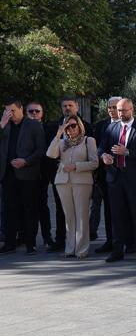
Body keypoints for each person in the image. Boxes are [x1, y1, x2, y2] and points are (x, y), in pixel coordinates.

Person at [98, 98, 136, 263]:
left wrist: (128, 152)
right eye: (119, 110)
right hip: (115, 177)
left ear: (132, 110)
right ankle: (117, 251)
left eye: (124, 110)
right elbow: (101, 147)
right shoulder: (111, 127)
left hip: (134, 179)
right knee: (116, 216)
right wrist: (104, 156)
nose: (121, 113)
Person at [45, 114, 98, 258]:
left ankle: (81, 249)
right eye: (67, 126)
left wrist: (76, 166)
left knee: (81, 215)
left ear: (79, 125)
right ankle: (70, 248)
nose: (70, 129)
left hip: (82, 181)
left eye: (73, 125)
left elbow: (95, 163)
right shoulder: (62, 143)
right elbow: (50, 154)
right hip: (63, 182)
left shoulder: (89, 141)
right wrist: (58, 135)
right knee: (68, 216)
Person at [0, 99, 46, 255]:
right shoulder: (4, 125)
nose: (9, 114)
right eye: (6, 110)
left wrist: (25, 161)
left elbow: (41, 150)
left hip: (28, 173)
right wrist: (1, 125)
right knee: (9, 209)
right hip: (7, 174)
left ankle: (30, 243)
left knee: (29, 209)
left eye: (12, 110)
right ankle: (9, 243)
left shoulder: (33, 125)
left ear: (20, 109)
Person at [27, 101, 60, 250]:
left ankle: (48, 238)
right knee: (30, 206)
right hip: (27, 172)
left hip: (47, 172)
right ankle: (29, 240)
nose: (34, 114)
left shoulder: (50, 127)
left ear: (42, 113)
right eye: (31, 111)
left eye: (37, 111)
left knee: (43, 206)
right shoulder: (22, 129)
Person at [92, 96, 121, 253]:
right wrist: (102, 156)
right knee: (109, 210)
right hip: (106, 175)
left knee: (126, 210)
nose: (111, 110)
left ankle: (127, 241)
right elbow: (97, 147)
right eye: (109, 107)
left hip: (125, 174)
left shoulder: (130, 125)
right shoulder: (101, 125)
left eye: (115, 107)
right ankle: (111, 241)